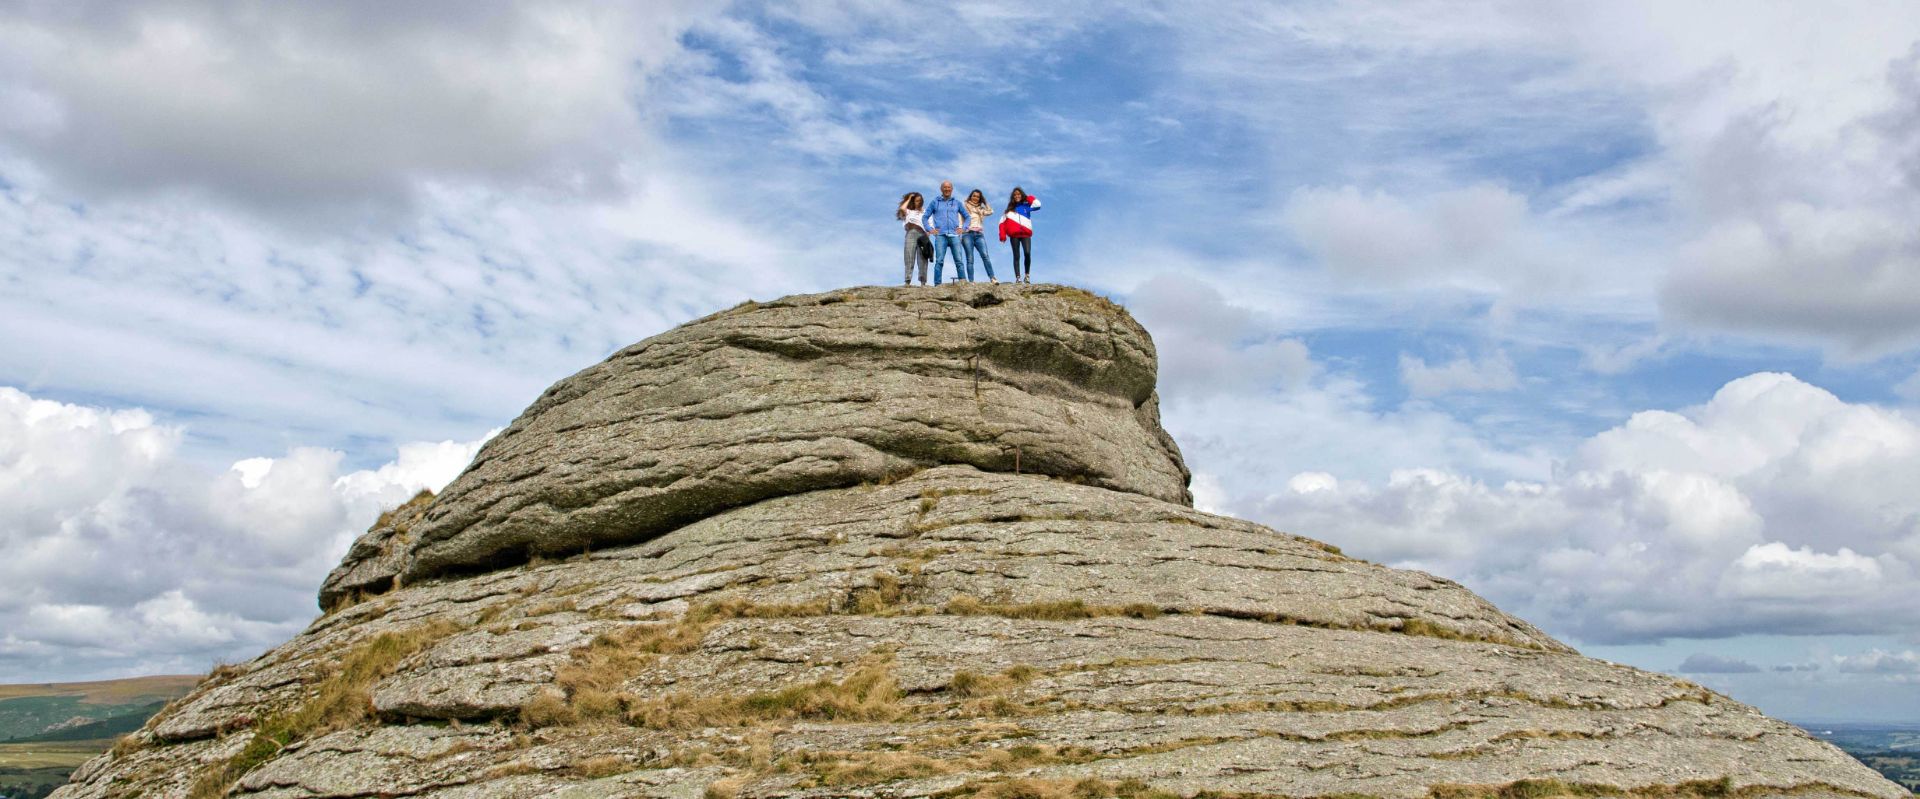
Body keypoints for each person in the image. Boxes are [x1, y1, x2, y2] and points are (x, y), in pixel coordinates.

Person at [921, 180, 967, 284]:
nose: (947, 189)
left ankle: (963, 282)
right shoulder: (935, 202)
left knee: (959, 261)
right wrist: (930, 229)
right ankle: (937, 285)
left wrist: (963, 228)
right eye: (945, 187)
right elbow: (925, 217)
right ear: (941, 189)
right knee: (939, 261)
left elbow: (967, 217)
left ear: (952, 189)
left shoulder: (957, 203)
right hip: (941, 235)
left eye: (949, 187)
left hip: (954, 235)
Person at [997, 186, 1041, 283]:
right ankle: (1018, 277)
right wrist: (1002, 236)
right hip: (1014, 236)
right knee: (1016, 256)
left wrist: (1027, 197)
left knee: (1027, 253)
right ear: (1013, 197)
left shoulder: (1027, 206)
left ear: (1021, 195)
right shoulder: (1009, 210)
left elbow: (1038, 205)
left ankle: (1027, 275)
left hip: (1025, 234)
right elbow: (1001, 223)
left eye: (1019, 194)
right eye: (1015, 195)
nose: (1017, 196)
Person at [961, 189, 998, 284]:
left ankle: (992, 278)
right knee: (970, 258)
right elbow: (960, 219)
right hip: (967, 234)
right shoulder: (965, 206)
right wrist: (961, 233)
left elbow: (991, 211)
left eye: (978, 197)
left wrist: (985, 202)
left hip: (979, 235)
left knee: (985, 256)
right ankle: (971, 281)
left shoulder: (981, 209)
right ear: (971, 196)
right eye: (974, 196)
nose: (975, 198)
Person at [898, 192, 931, 285]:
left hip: (923, 234)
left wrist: (927, 236)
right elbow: (902, 208)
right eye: (916, 201)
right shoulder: (909, 211)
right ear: (913, 202)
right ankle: (907, 280)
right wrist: (909, 198)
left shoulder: (926, 212)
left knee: (923, 258)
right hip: (911, 232)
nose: (918, 202)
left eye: (920, 201)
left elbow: (930, 225)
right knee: (909, 256)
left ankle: (923, 282)